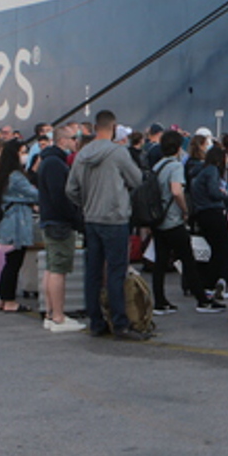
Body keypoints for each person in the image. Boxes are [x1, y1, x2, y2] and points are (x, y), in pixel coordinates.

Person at [68, 110, 148, 339]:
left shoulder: (83, 154)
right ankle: (120, 323)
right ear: (113, 128)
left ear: (95, 127)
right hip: (115, 219)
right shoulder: (118, 153)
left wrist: (86, 204)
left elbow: (70, 189)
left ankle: (96, 321)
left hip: (91, 219)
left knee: (92, 272)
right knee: (115, 271)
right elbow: (137, 179)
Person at [34, 124, 86, 332]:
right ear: (62, 140)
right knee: (59, 269)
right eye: (74, 138)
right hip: (59, 222)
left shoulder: (48, 162)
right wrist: (75, 218)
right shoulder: (56, 164)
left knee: (51, 267)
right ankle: (58, 316)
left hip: (50, 220)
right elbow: (60, 196)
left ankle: (50, 312)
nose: (76, 142)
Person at [0, 139, 40, 314]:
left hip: (5, 222)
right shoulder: (15, 176)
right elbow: (34, 194)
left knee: (10, 262)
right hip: (16, 224)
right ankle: (9, 300)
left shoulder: (0, 174)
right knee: (15, 262)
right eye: (22, 152)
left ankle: (2, 297)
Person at [185, 133, 228, 312]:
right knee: (221, 249)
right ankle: (216, 283)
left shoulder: (197, 171)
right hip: (213, 212)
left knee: (211, 250)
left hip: (201, 213)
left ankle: (207, 283)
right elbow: (214, 192)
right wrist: (226, 197)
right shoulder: (212, 171)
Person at [146, 130, 193, 314]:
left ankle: (159, 301)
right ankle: (203, 298)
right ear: (178, 147)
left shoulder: (158, 166)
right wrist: (185, 209)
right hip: (173, 220)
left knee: (160, 262)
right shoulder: (175, 167)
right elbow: (176, 191)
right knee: (188, 258)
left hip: (158, 220)